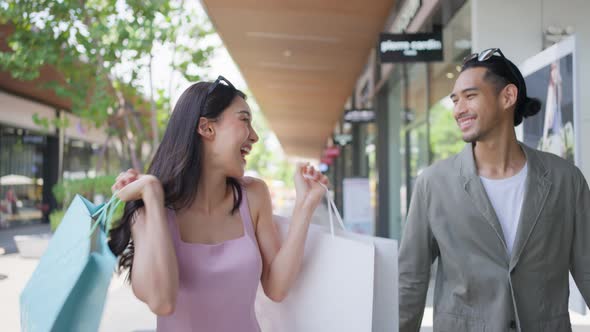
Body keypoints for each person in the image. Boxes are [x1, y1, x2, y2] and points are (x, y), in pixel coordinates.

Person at [109, 76, 329, 332]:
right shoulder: (149, 212)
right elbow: (162, 302)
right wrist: (152, 193)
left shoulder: (253, 195)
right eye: (244, 119)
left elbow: (277, 288)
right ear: (206, 128)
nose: (255, 136)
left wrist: (305, 205)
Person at [398, 48, 590, 332]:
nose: (458, 109)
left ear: (508, 97)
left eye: (470, 96)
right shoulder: (434, 184)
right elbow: (411, 279)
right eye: (455, 100)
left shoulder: (566, 179)